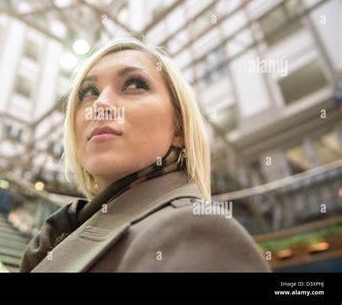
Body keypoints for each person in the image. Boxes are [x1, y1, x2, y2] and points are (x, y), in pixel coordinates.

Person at [20, 35, 271, 272]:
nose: (99, 104)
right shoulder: (69, 230)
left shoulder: (194, 230)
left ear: (179, 129)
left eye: (134, 84)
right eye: (88, 93)